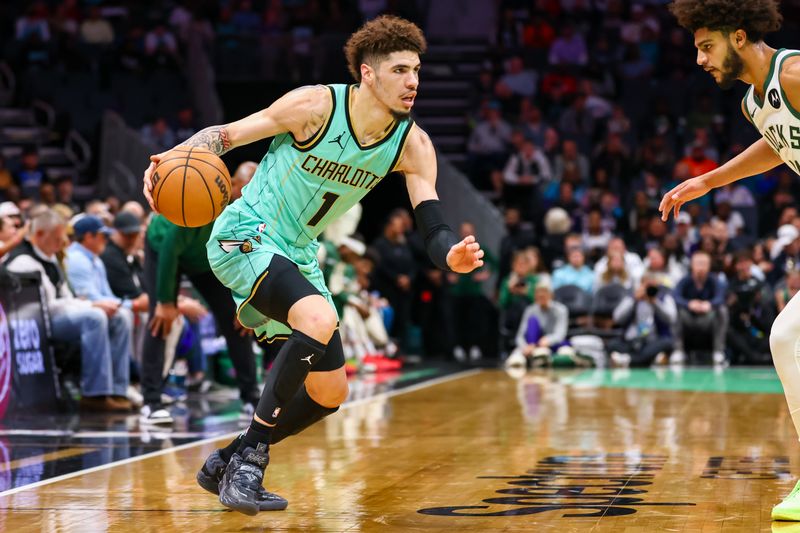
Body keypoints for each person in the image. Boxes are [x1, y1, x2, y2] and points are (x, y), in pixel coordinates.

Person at [141, 15, 484, 516]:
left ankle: (228, 459)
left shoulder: (412, 144)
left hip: (298, 252)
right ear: (368, 73)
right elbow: (228, 136)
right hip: (247, 232)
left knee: (330, 391)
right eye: (400, 70)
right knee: (320, 320)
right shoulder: (316, 106)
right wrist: (172, 157)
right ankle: (250, 465)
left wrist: (450, 253)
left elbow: (432, 224)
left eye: (416, 71)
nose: (413, 82)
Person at [659, 1, 799, 518]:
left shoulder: (794, 72)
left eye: (706, 46)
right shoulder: (754, 102)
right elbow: (774, 143)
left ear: (738, 37)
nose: (699, 59)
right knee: (786, 337)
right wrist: (706, 180)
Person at [6, 210, 131, 412]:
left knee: (120, 317)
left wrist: (89, 304)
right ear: (39, 235)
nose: (62, 242)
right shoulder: (24, 261)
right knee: (94, 318)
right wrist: (90, 305)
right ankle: (94, 394)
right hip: (37, 324)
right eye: (57, 238)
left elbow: (65, 297)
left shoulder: (51, 259)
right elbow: (45, 307)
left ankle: (118, 390)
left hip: (56, 314)